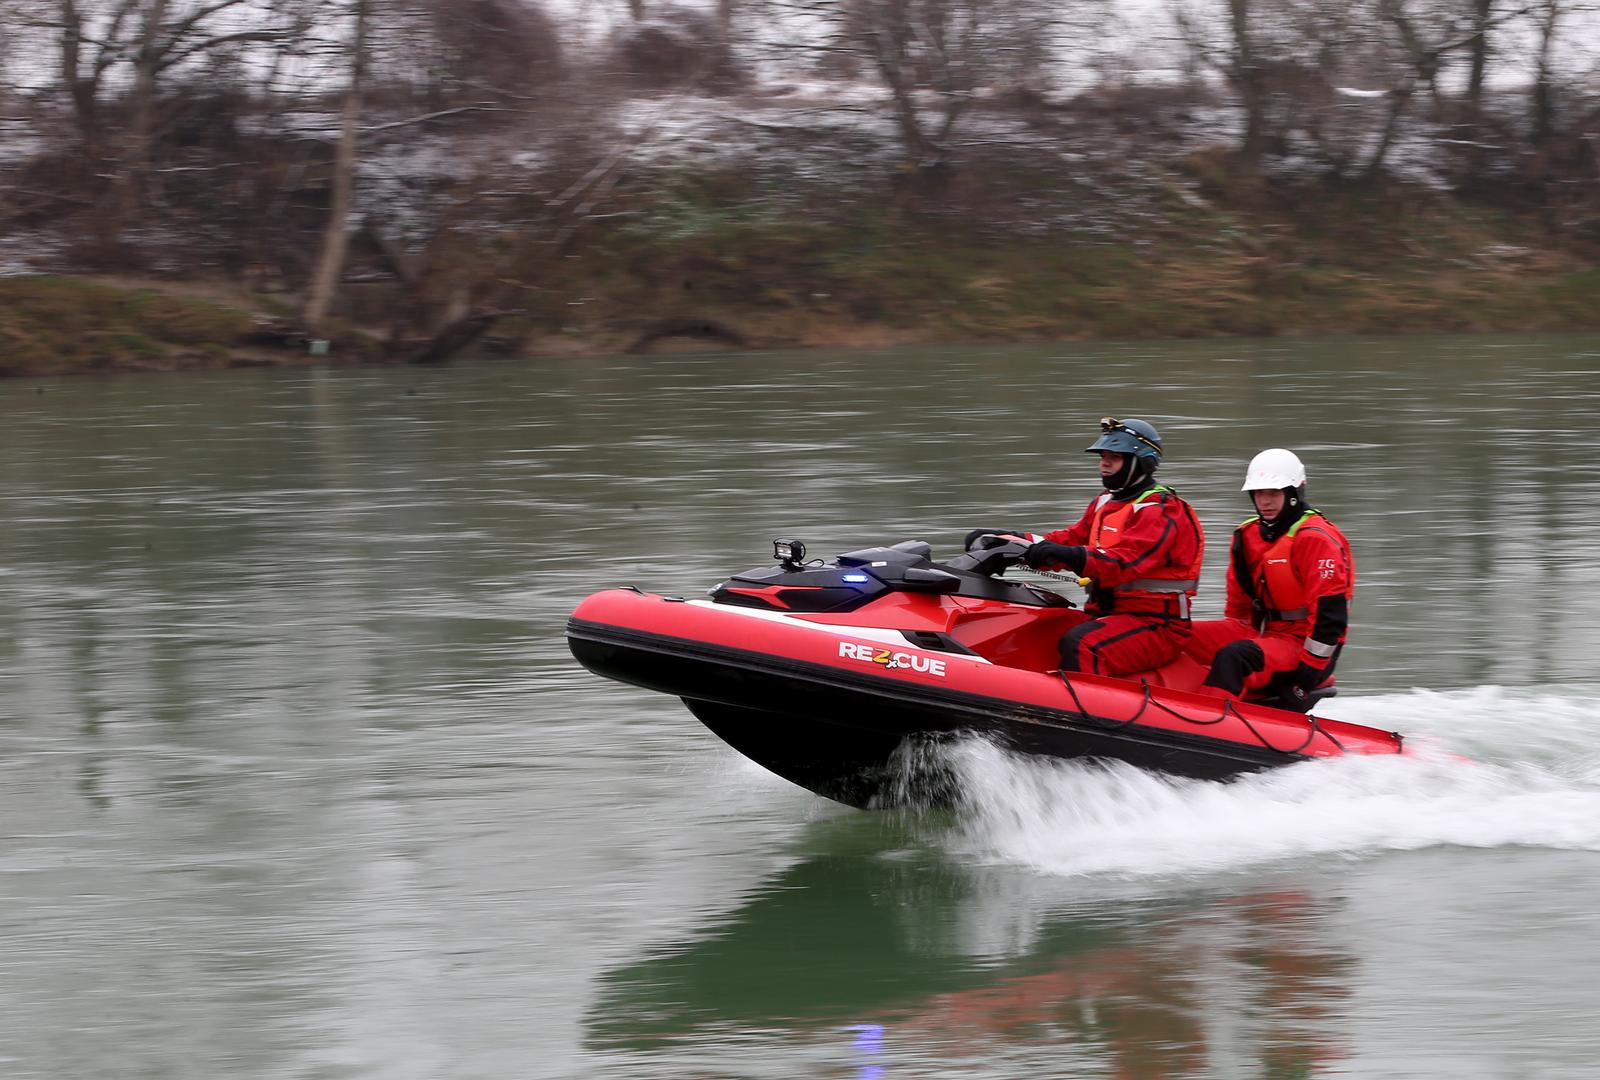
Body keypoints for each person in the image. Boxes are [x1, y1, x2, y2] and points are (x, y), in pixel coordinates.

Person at [969, 417, 1205, 677]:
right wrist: (1009, 540)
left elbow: (1124, 563)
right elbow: (1069, 540)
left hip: (1157, 626)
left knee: (1083, 644)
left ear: (1140, 463)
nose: (1104, 463)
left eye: (1114, 457)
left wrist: (1066, 554)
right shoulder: (1104, 504)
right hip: (1106, 614)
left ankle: (1079, 714)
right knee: (1033, 625)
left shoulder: (1163, 511)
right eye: (1103, 456)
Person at [1186, 448, 1355, 711]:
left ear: (1294, 493)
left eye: (1273, 493)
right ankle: (1160, 700)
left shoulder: (1316, 540)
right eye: (1259, 493)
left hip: (1301, 644)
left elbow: (1329, 623)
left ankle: (1203, 722)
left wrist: (1306, 678)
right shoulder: (1246, 536)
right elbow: (1238, 611)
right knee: (1175, 634)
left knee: (1236, 656)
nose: (1264, 501)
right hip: (1260, 632)